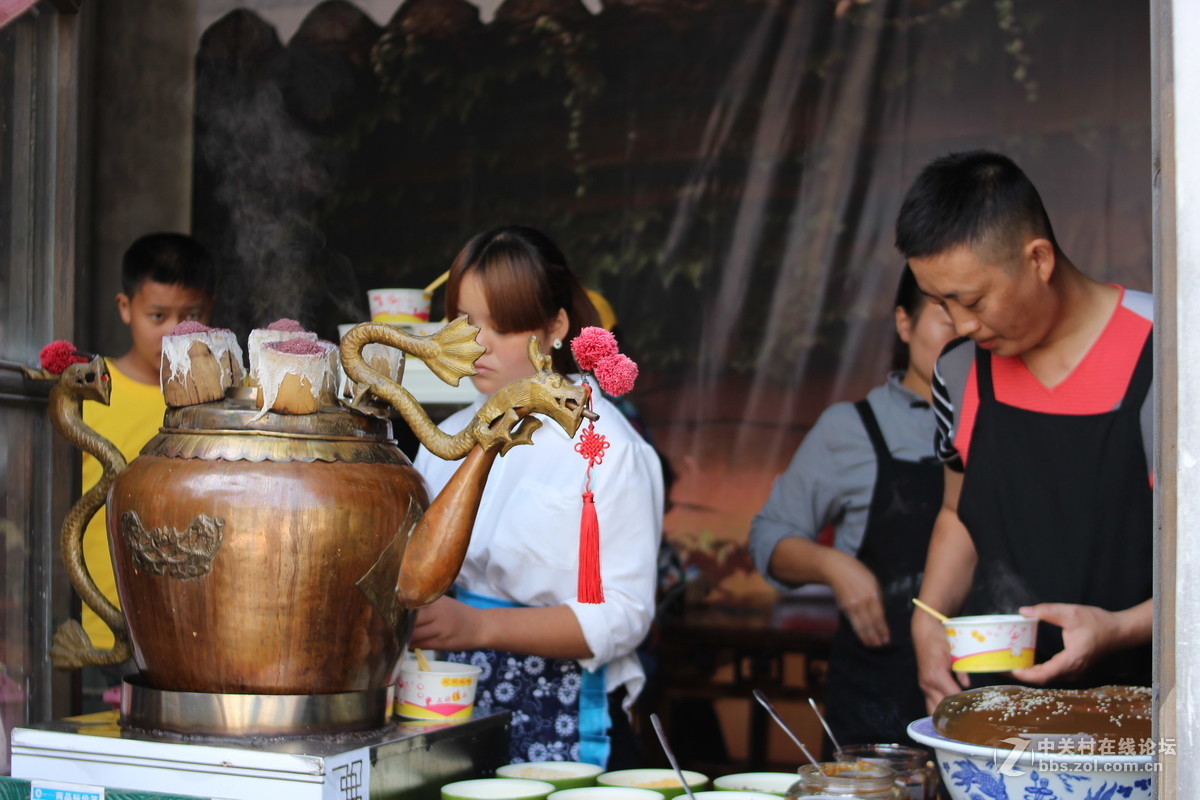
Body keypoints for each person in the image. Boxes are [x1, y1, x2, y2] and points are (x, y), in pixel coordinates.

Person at [898, 151, 1154, 712]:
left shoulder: (1172, 356)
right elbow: (957, 513)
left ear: (1037, 258)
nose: (961, 325)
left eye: (971, 300)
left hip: (1150, 724)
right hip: (1003, 726)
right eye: (941, 304)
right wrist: (928, 615)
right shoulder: (959, 371)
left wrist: (1122, 628)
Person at [412, 225, 664, 767]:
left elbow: (623, 613)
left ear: (554, 328)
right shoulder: (445, 438)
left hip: (567, 708)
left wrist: (480, 626)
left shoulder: (606, 448)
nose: (474, 344)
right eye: (461, 320)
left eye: (498, 326)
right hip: (450, 697)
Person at [748, 265, 957, 748]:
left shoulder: (1001, 423)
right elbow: (767, 536)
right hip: (877, 699)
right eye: (945, 314)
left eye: (973, 309)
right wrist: (833, 565)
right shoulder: (851, 428)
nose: (963, 329)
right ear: (905, 324)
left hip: (981, 691)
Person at [80, 233, 215, 705]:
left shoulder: (217, 408)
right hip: (98, 630)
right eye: (158, 316)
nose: (175, 333)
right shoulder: (89, 398)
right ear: (124, 306)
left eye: (191, 316)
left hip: (191, 637)